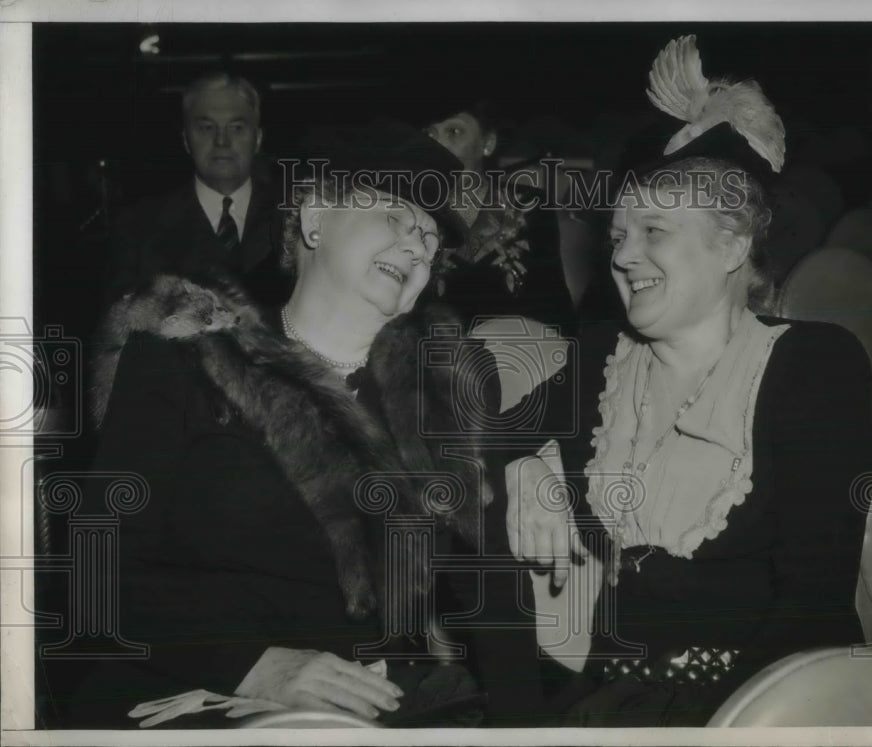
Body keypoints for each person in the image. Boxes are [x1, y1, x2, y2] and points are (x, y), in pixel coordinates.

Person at [69, 125, 545, 728]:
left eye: (430, 242)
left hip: (375, 706)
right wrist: (252, 664)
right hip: (200, 694)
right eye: (397, 218)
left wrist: (525, 732)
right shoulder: (182, 360)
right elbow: (100, 571)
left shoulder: (445, 389)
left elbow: (493, 588)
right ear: (316, 218)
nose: (418, 248)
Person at [507, 36, 872, 726]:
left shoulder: (813, 367)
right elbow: (480, 438)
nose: (624, 255)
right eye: (618, 235)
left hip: (769, 706)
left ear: (733, 244)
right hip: (606, 699)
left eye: (654, 229)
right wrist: (529, 468)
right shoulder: (603, 360)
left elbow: (813, 604)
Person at [105, 71, 287, 307]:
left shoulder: (296, 219)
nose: (222, 141)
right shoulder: (137, 228)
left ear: (258, 139)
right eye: (206, 128)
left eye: (236, 128)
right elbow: (119, 331)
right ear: (185, 139)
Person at [424, 102, 576, 332]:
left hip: (519, 356)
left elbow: (553, 304)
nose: (437, 144)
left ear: (488, 143)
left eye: (454, 132)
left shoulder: (527, 205)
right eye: (429, 133)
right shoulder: (412, 214)